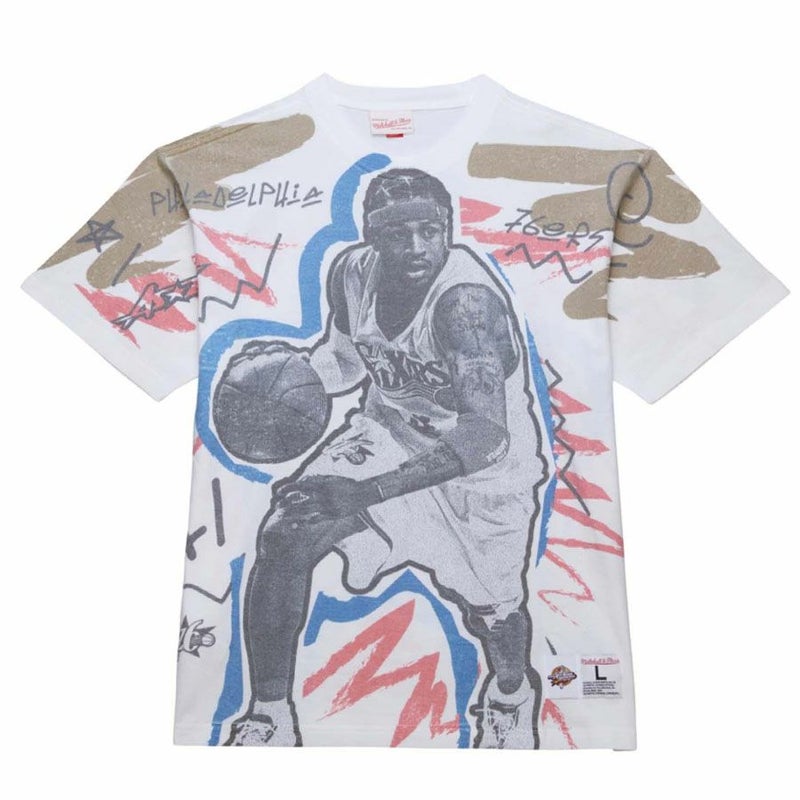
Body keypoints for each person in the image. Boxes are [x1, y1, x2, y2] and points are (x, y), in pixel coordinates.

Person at [223, 168, 549, 748]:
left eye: (430, 231)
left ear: (448, 228)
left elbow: (483, 436)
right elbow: (347, 362)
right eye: (398, 233)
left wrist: (365, 493)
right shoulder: (352, 271)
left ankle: (509, 695)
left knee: (494, 614)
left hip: (482, 474)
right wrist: (293, 372)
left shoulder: (465, 306)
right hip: (389, 432)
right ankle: (268, 716)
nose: (416, 247)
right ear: (371, 234)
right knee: (287, 531)